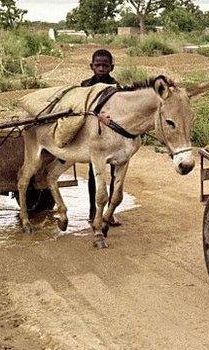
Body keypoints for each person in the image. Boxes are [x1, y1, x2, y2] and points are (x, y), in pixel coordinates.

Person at [81, 49, 119, 223]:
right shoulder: (85, 85)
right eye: (98, 65)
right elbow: (82, 109)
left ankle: (109, 213)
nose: (101, 68)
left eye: (105, 65)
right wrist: (97, 116)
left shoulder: (116, 87)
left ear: (111, 67)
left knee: (114, 175)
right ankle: (92, 211)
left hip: (111, 138)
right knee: (94, 175)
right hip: (93, 138)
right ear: (92, 66)